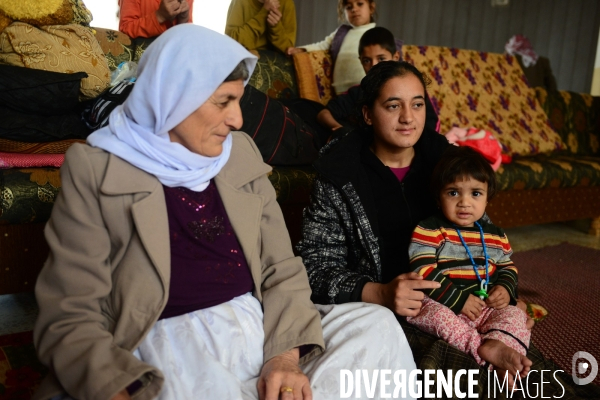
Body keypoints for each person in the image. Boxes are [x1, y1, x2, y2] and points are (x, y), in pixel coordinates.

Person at [33, 25, 417, 400]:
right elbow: (70, 312)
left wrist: (284, 358)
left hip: (260, 326)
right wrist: (112, 385)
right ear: (174, 96)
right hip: (173, 342)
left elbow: (280, 269)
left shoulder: (239, 154)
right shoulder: (97, 169)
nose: (237, 120)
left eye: (238, 100)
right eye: (223, 102)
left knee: (375, 326)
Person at [297, 60, 596, 397]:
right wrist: (377, 291)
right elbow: (314, 268)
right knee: (470, 379)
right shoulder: (341, 175)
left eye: (418, 104)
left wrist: (504, 292)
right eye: (393, 106)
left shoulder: (447, 164)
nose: (408, 118)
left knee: (532, 375)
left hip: (465, 301)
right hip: (396, 313)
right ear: (367, 114)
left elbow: (482, 240)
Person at [406, 145, 532, 386]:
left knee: (516, 315)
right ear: (438, 196)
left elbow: (507, 267)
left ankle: (499, 344)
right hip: (443, 304)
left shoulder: (495, 235)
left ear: (487, 196)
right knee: (434, 316)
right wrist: (458, 300)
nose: (464, 202)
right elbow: (422, 269)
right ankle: (486, 352)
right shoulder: (429, 229)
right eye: (453, 193)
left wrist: (505, 289)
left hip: (483, 307)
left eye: (475, 193)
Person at [317, 26, 439, 135]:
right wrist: (339, 129)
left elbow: (432, 124)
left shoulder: (413, 89)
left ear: (395, 57)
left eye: (381, 58)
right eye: (366, 61)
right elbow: (324, 113)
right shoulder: (358, 92)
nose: (374, 66)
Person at [287, 0, 377, 94]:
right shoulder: (342, 33)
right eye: (349, 7)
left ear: (371, 8)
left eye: (360, 4)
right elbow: (322, 45)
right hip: (340, 94)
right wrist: (301, 49)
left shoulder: (379, 35)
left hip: (364, 91)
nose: (354, 9)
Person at [225, 0, 297, 54]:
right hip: (246, 63)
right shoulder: (240, 2)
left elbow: (289, 50)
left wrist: (275, 27)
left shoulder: (287, 3)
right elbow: (230, 43)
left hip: (275, 65)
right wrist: (263, 14)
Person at [118, 0, 193, 38]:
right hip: (143, 61)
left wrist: (183, 19)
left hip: (176, 59)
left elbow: (186, 38)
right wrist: (160, 16)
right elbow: (124, 32)